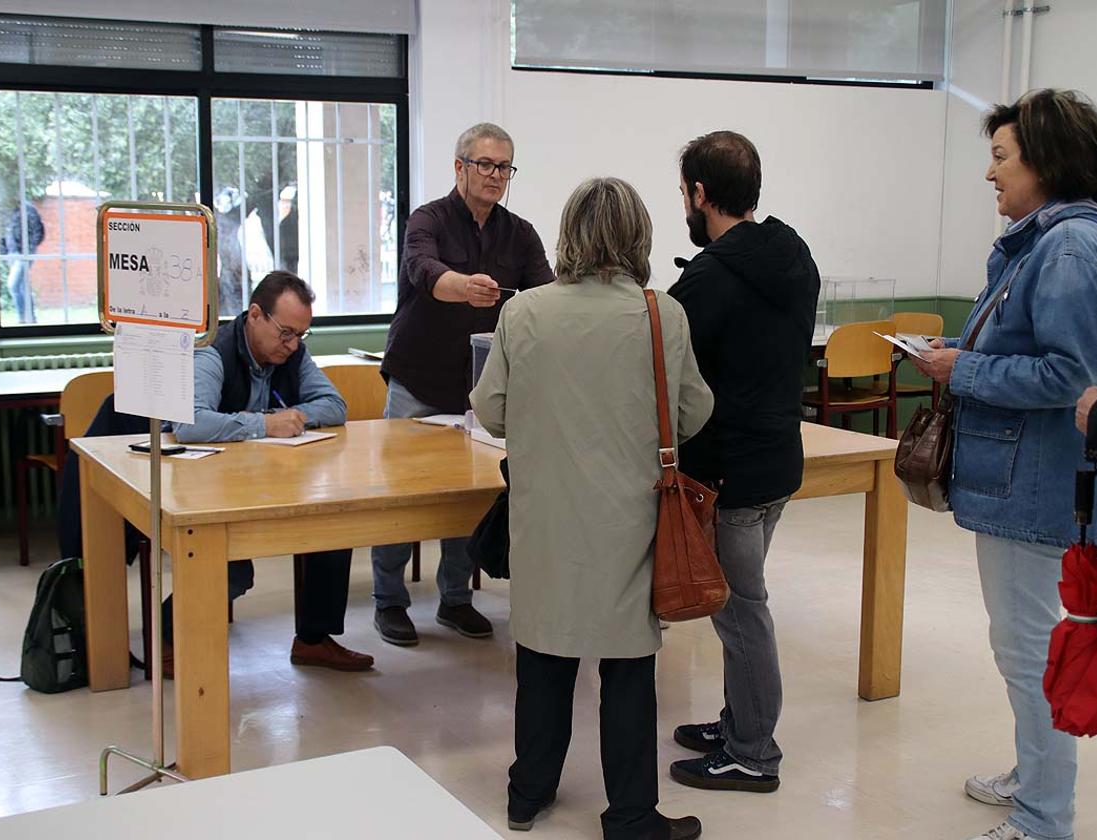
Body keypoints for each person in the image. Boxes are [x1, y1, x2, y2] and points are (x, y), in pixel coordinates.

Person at [470, 177, 714, 840]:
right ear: (639, 237)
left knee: (543, 659)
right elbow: (692, 412)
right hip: (630, 520)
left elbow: (490, 410)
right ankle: (631, 816)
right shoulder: (662, 314)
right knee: (628, 670)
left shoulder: (524, 314)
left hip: (545, 516)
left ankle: (528, 795)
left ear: (568, 235)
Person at [913, 89, 1097, 840]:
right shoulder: (1043, 242)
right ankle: (1035, 776)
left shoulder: (1069, 247)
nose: (991, 175)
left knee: (1030, 654)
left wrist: (960, 370)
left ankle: (1042, 818)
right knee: (1020, 645)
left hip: (1038, 488)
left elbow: (1071, 375)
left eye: (1001, 158)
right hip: (1021, 481)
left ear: (1047, 162)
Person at [666, 131, 820, 794]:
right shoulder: (793, 253)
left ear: (700, 194)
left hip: (731, 474)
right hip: (781, 461)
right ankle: (737, 724)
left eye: (684, 193)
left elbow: (668, 370)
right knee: (743, 606)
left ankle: (753, 751)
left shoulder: (707, 279)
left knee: (741, 611)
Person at [373, 122, 554, 647]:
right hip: (417, 381)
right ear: (460, 167)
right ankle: (389, 601)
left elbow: (545, 292)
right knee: (398, 497)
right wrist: (463, 287)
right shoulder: (427, 219)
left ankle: (455, 598)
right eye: (485, 164)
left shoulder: (519, 233)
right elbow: (422, 269)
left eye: (504, 167)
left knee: (467, 497)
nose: (495, 175)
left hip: (480, 392)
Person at [165, 270, 373, 675]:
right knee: (232, 568)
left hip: (267, 478)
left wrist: (288, 417)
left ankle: (313, 639)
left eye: (300, 336)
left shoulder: (292, 351)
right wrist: (264, 424)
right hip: (207, 487)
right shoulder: (213, 351)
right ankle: (168, 637)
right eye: (285, 333)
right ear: (255, 315)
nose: (292, 345)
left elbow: (334, 406)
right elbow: (190, 424)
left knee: (332, 522)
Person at [0, 202, 44, 324]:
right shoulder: (12, 211)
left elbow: (38, 231)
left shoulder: (28, 210)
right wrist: (4, 250)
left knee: (13, 285)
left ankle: (23, 318)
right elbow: (7, 233)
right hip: (12, 253)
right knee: (23, 286)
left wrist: (28, 250)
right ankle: (29, 318)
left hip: (22, 254)